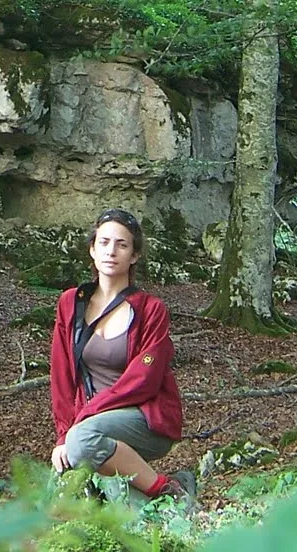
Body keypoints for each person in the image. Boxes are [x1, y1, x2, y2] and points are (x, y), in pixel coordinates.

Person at [49, 208, 193, 502]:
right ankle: (170, 503)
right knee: (110, 499)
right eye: (103, 243)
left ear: (134, 255)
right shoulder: (70, 303)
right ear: (92, 249)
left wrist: (81, 423)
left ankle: (167, 488)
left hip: (145, 420)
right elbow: (61, 377)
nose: (111, 251)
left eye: (122, 244)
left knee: (82, 441)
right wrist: (64, 434)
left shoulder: (151, 310)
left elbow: (144, 381)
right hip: (90, 427)